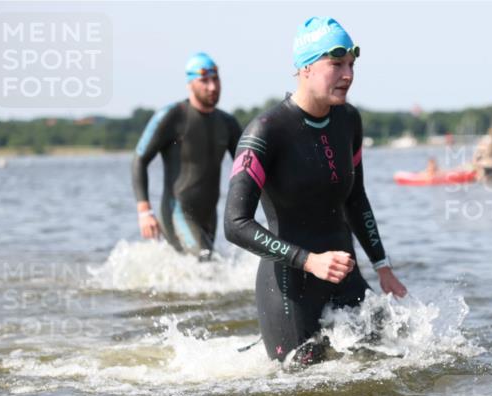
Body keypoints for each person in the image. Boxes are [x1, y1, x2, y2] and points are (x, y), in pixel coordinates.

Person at [224, 16, 407, 363]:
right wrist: (307, 261)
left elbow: (356, 197)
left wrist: (382, 265)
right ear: (305, 68)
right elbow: (235, 223)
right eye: (336, 64)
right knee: (305, 394)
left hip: (343, 274)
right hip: (290, 288)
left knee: (394, 359)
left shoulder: (349, 120)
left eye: (351, 64)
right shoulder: (265, 132)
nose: (348, 75)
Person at [132, 52, 242, 258]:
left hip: (209, 214)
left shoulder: (227, 123)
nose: (212, 86)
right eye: (204, 80)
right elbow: (140, 159)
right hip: (178, 211)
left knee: (204, 270)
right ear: (190, 84)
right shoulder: (172, 116)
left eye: (216, 79)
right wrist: (144, 211)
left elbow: (250, 167)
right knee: (206, 263)